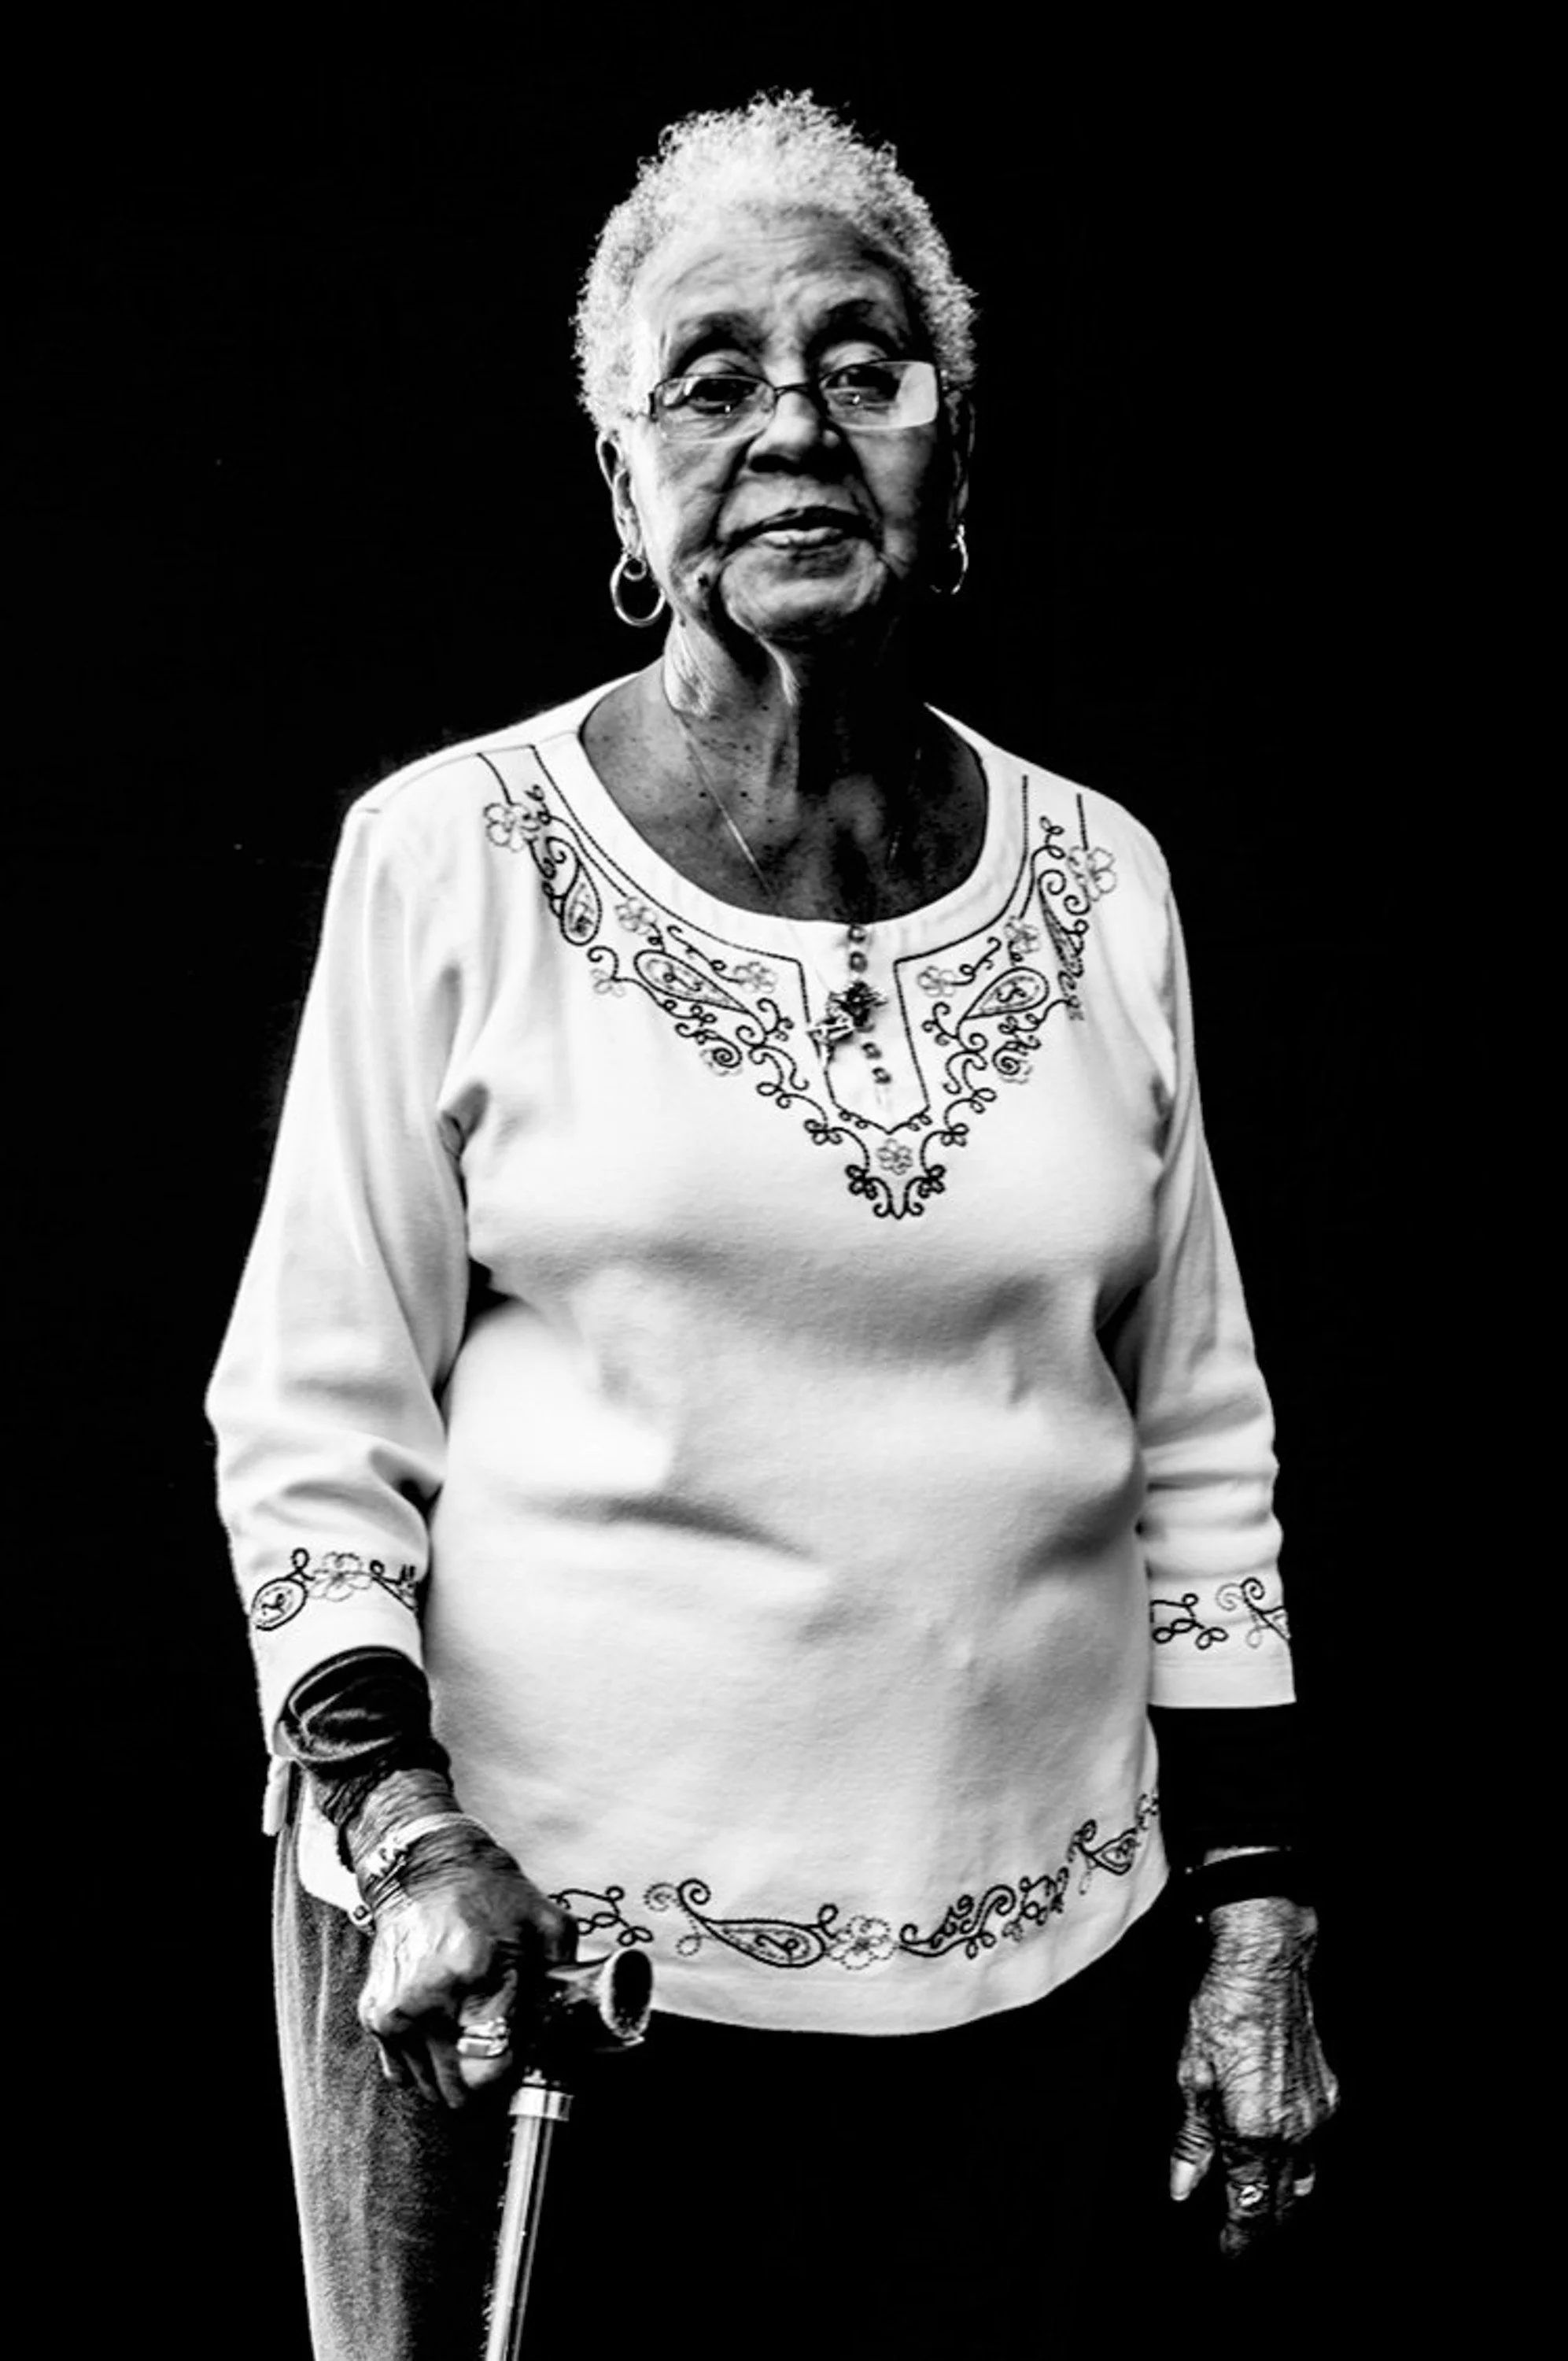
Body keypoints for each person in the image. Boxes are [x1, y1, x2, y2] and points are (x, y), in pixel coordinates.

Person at [208, 93, 1339, 2359]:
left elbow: (1200, 1438)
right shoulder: (452, 857)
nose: (795, 427)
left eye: (866, 365)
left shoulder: (1102, 881)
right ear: (624, 475)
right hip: (546, 2005)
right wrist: (409, 1839)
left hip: (1039, 1988)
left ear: (955, 441)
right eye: (712, 380)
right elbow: (312, 1416)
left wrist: (1255, 1919)